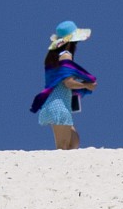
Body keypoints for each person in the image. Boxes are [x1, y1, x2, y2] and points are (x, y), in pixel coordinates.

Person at [31, 21, 97, 150]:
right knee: (63, 148)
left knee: (74, 143)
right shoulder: (66, 55)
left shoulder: (57, 56)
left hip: (60, 105)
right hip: (58, 105)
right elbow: (68, 82)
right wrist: (87, 86)